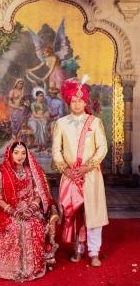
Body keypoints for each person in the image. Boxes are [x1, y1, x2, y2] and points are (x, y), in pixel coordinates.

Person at [0, 141, 58, 281]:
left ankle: (31, 269)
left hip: (29, 210)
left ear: (27, 155)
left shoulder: (32, 172)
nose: (20, 156)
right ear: (10, 154)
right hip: (7, 211)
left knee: (34, 226)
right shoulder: (1, 173)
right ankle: (10, 269)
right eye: (16, 153)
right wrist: (12, 211)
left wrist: (31, 209)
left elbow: (38, 195)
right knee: (14, 227)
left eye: (23, 153)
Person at [52, 76, 109, 267]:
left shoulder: (95, 122)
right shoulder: (61, 123)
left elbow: (102, 148)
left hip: (90, 175)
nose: (77, 104)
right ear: (69, 102)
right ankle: (77, 249)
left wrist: (88, 166)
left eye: (80, 100)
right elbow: (56, 151)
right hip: (69, 176)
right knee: (74, 214)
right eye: (73, 100)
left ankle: (94, 252)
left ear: (85, 101)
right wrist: (65, 169)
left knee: (93, 213)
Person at [27, 87, 50, 153]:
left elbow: (47, 112)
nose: (42, 97)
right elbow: (34, 114)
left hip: (42, 118)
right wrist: (42, 116)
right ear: (37, 96)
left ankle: (42, 145)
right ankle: (38, 146)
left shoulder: (44, 104)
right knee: (36, 126)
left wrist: (46, 115)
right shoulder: (33, 104)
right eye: (40, 96)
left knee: (43, 126)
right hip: (34, 119)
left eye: (42, 96)